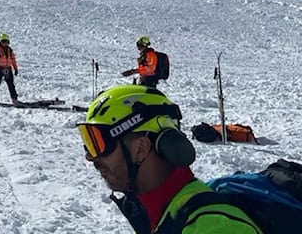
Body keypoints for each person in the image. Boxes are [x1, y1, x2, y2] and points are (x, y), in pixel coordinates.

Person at [77, 85, 262, 233]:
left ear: (140, 148)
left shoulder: (213, 227)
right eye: (88, 142)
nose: (90, 157)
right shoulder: (163, 212)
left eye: (99, 143)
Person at [0, 33, 19, 103]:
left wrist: (15, 68)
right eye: (3, 41)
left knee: (11, 85)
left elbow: (13, 59)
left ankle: (14, 99)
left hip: (8, 69)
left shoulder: (10, 50)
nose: (4, 43)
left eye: (6, 41)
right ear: (0, 42)